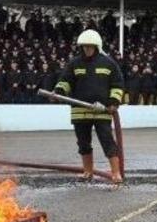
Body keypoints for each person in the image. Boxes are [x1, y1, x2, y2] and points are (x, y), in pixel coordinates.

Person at [53, 29, 125, 184]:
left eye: (90, 46)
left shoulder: (108, 63)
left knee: (107, 141)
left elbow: (117, 85)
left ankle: (116, 173)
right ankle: (88, 172)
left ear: (97, 46)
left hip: (101, 111)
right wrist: (59, 91)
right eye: (84, 46)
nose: (87, 49)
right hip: (80, 111)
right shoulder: (74, 63)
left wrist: (113, 102)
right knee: (83, 143)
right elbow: (65, 80)